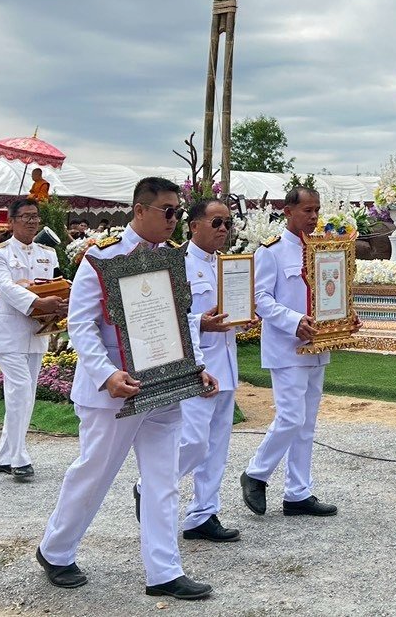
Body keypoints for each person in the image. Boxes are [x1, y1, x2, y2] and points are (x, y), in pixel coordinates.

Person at [37, 177, 218, 600]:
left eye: (178, 211)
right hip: (115, 389)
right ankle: (56, 550)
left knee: (162, 479)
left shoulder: (175, 261)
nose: (175, 219)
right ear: (140, 210)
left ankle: (164, 571)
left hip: (164, 383)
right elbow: (81, 324)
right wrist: (106, 374)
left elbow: (184, 321)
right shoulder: (100, 259)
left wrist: (198, 368)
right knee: (94, 472)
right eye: (167, 211)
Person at [240, 185, 342, 519]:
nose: (313, 217)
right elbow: (260, 299)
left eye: (316, 211)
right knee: (290, 416)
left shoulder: (324, 249)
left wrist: (342, 316)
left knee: (307, 422)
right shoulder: (270, 251)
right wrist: (294, 320)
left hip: (317, 345)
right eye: (306, 211)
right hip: (286, 347)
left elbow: (332, 293)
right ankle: (256, 473)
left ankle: (298, 493)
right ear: (288, 211)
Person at [170, 199, 242, 543]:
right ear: (194, 225)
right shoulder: (178, 265)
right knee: (194, 442)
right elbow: (168, 317)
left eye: (228, 223)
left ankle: (203, 514)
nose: (224, 230)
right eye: (216, 223)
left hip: (225, 363)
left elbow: (233, 315)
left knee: (217, 445)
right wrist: (200, 322)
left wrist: (245, 319)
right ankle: (151, 483)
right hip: (195, 367)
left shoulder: (228, 266)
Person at [0, 199, 66, 482]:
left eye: (35, 217)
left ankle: (4, 456)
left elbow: (55, 284)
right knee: (19, 390)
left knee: (26, 393)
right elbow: (3, 287)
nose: (32, 222)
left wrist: (60, 305)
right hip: (8, 332)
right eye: (26, 217)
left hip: (36, 332)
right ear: (13, 221)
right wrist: (38, 303)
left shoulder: (47, 253)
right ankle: (19, 457)